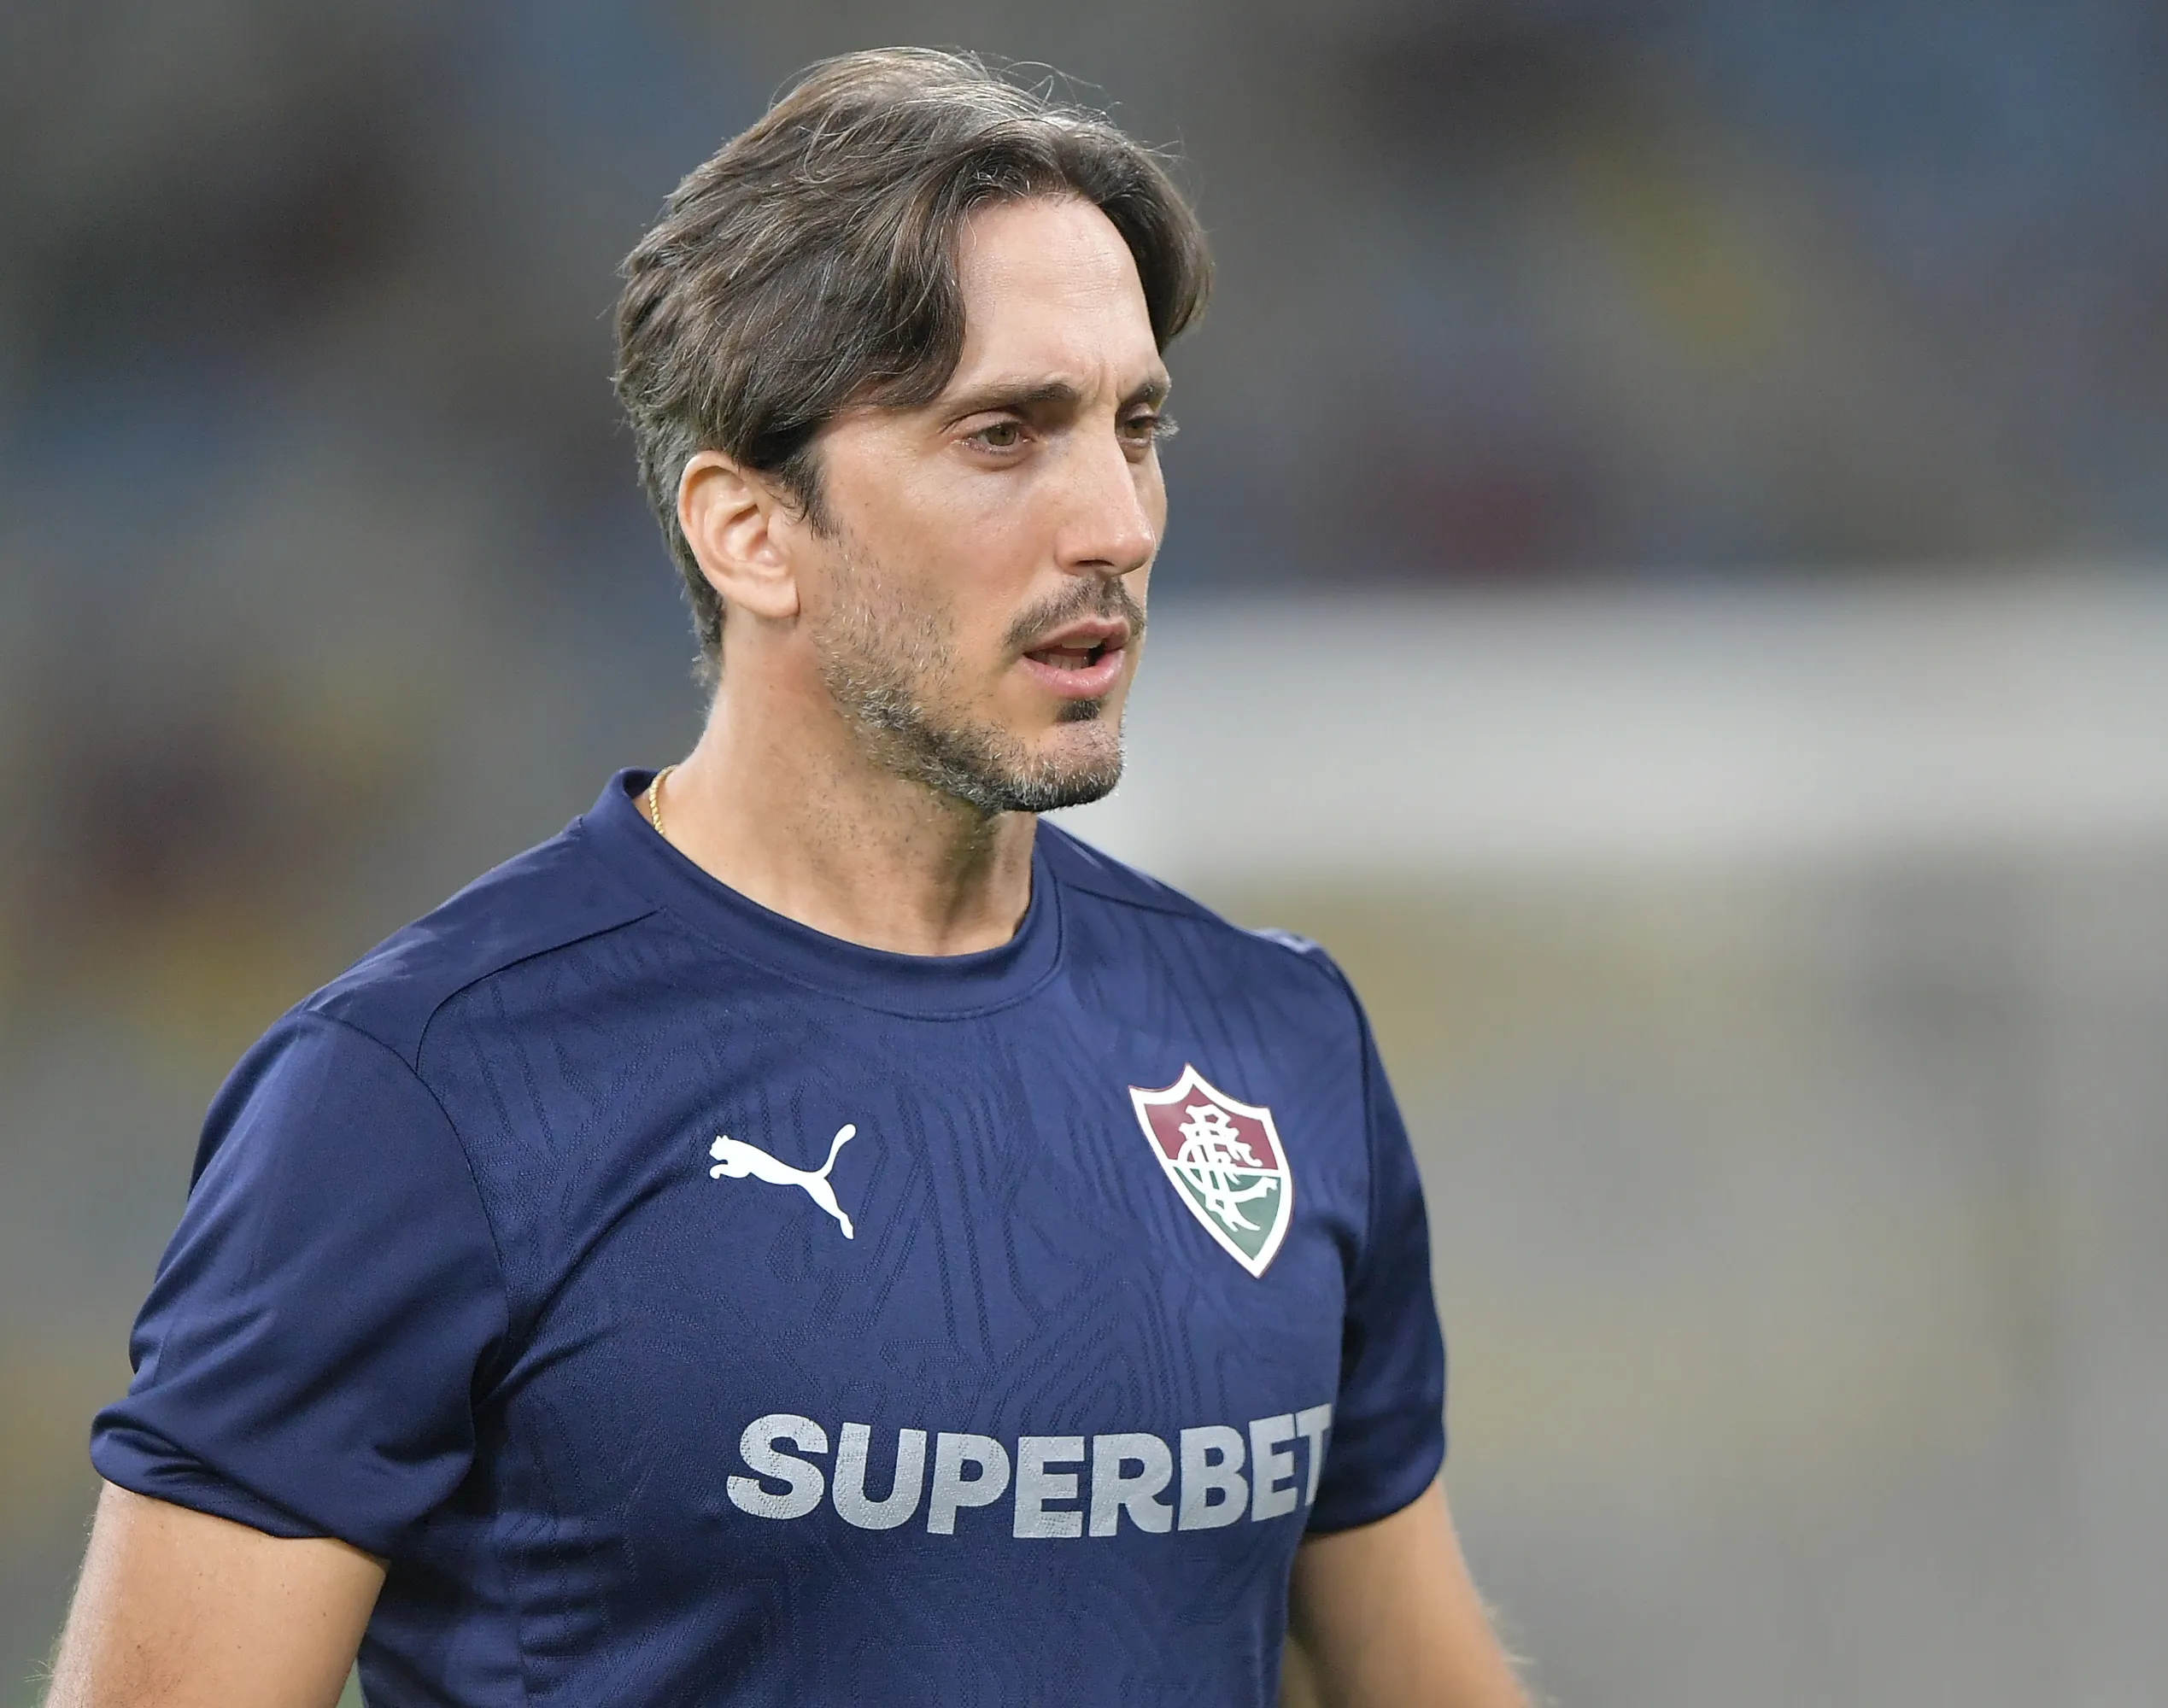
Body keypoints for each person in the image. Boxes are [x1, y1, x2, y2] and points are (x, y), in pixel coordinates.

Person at [42, 45, 1526, 1708]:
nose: (1116, 521)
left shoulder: (1275, 1042)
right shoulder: (420, 1096)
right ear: (748, 531)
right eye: (1004, 436)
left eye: (1136, 427)